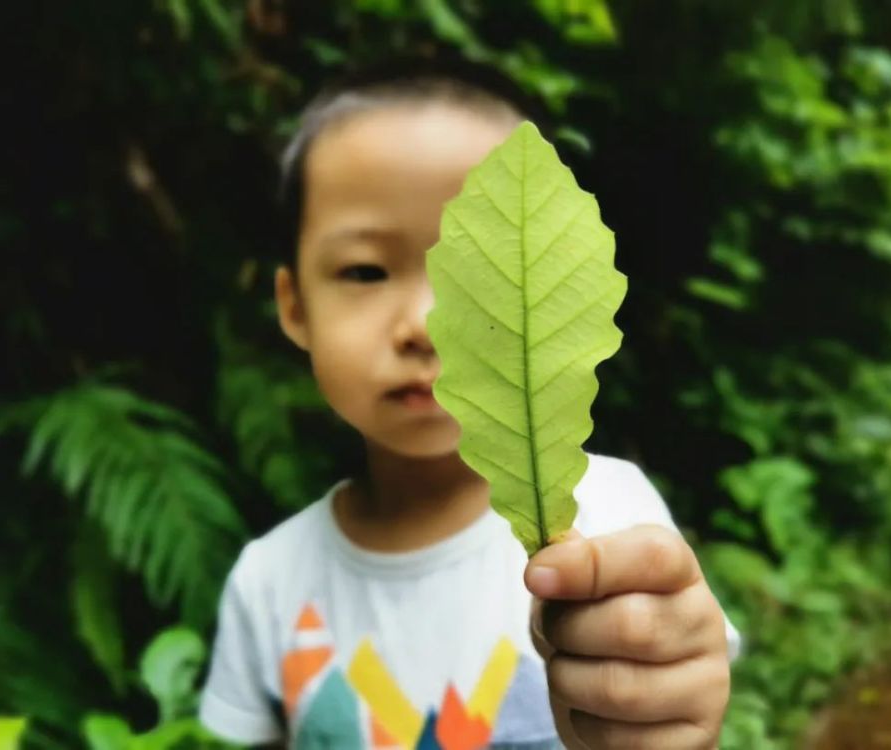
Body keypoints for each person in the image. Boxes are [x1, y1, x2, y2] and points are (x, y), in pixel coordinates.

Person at [198, 58, 738, 750]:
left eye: (472, 276)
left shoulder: (609, 519)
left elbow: (667, 707)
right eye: (366, 270)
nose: (424, 322)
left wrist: (669, 714)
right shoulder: (268, 583)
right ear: (294, 306)